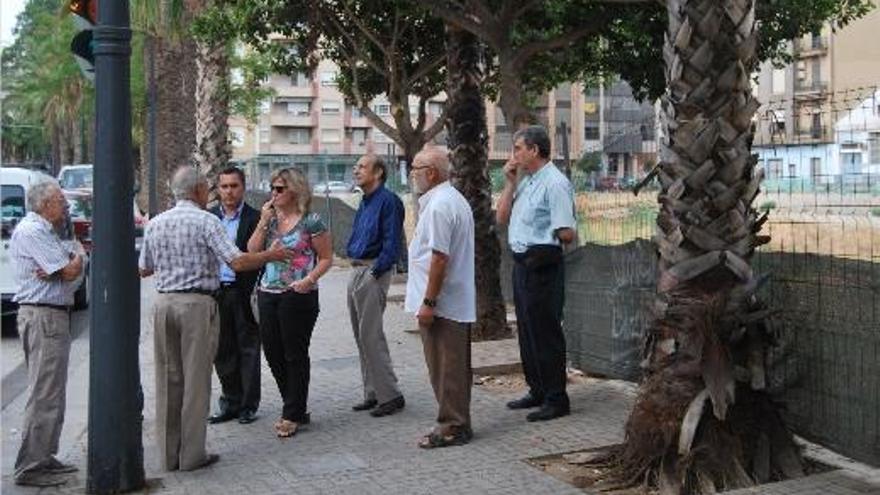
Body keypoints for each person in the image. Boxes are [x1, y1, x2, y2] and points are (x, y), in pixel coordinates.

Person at [139, 167, 292, 471]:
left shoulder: (155, 223)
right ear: (198, 190)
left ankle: (169, 456)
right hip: (196, 304)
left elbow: (144, 268)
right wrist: (270, 256)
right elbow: (236, 261)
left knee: (168, 379)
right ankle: (193, 455)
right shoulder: (207, 221)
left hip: (163, 304)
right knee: (196, 381)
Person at [496, 125, 577, 422]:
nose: (513, 154)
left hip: (543, 263)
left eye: (518, 148)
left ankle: (557, 397)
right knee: (528, 332)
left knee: (546, 332)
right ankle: (538, 389)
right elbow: (501, 217)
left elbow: (567, 232)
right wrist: (509, 183)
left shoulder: (554, 183)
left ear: (534, 150)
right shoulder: (527, 181)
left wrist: (551, 236)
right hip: (522, 264)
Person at [247, 168, 333, 439]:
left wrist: (309, 280)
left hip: (298, 294)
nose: (274, 193)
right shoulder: (270, 220)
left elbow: (326, 258)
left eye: (280, 188)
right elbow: (252, 251)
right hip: (267, 292)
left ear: (295, 190)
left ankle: (292, 413)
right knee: (272, 352)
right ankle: (295, 404)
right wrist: (263, 221)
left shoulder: (311, 221)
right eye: (272, 188)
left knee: (294, 353)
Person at [10, 180, 84, 487]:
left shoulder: (46, 231)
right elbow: (69, 271)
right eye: (61, 202)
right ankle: (31, 465)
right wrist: (76, 259)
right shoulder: (33, 231)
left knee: (52, 392)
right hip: (43, 316)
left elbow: (69, 265)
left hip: (50, 315)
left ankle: (43, 455)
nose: (66, 208)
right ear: (46, 204)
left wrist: (72, 258)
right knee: (45, 394)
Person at [404, 147, 476, 448]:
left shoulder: (439, 205)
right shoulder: (446, 200)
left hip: (443, 304)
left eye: (415, 169)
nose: (412, 175)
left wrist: (429, 303)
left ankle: (452, 426)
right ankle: (456, 422)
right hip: (447, 302)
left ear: (431, 172)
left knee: (446, 368)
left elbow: (439, 259)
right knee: (451, 368)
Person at [346, 154, 406, 417]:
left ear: (379, 172)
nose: (356, 170)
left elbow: (392, 242)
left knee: (371, 335)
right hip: (357, 270)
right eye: (356, 166)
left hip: (372, 271)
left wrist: (376, 270)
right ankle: (372, 392)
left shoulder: (389, 201)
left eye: (362, 167)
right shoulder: (365, 201)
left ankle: (390, 395)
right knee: (362, 336)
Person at [207, 167, 262, 425]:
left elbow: (259, 257)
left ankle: (248, 406)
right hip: (216, 294)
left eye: (234, 186)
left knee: (248, 348)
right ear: (218, 189)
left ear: (243, 187)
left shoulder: (255, 218)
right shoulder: (208, 219)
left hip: (244, 292)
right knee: (223, 350)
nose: (229, 192)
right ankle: (230, 402)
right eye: (224, 186)